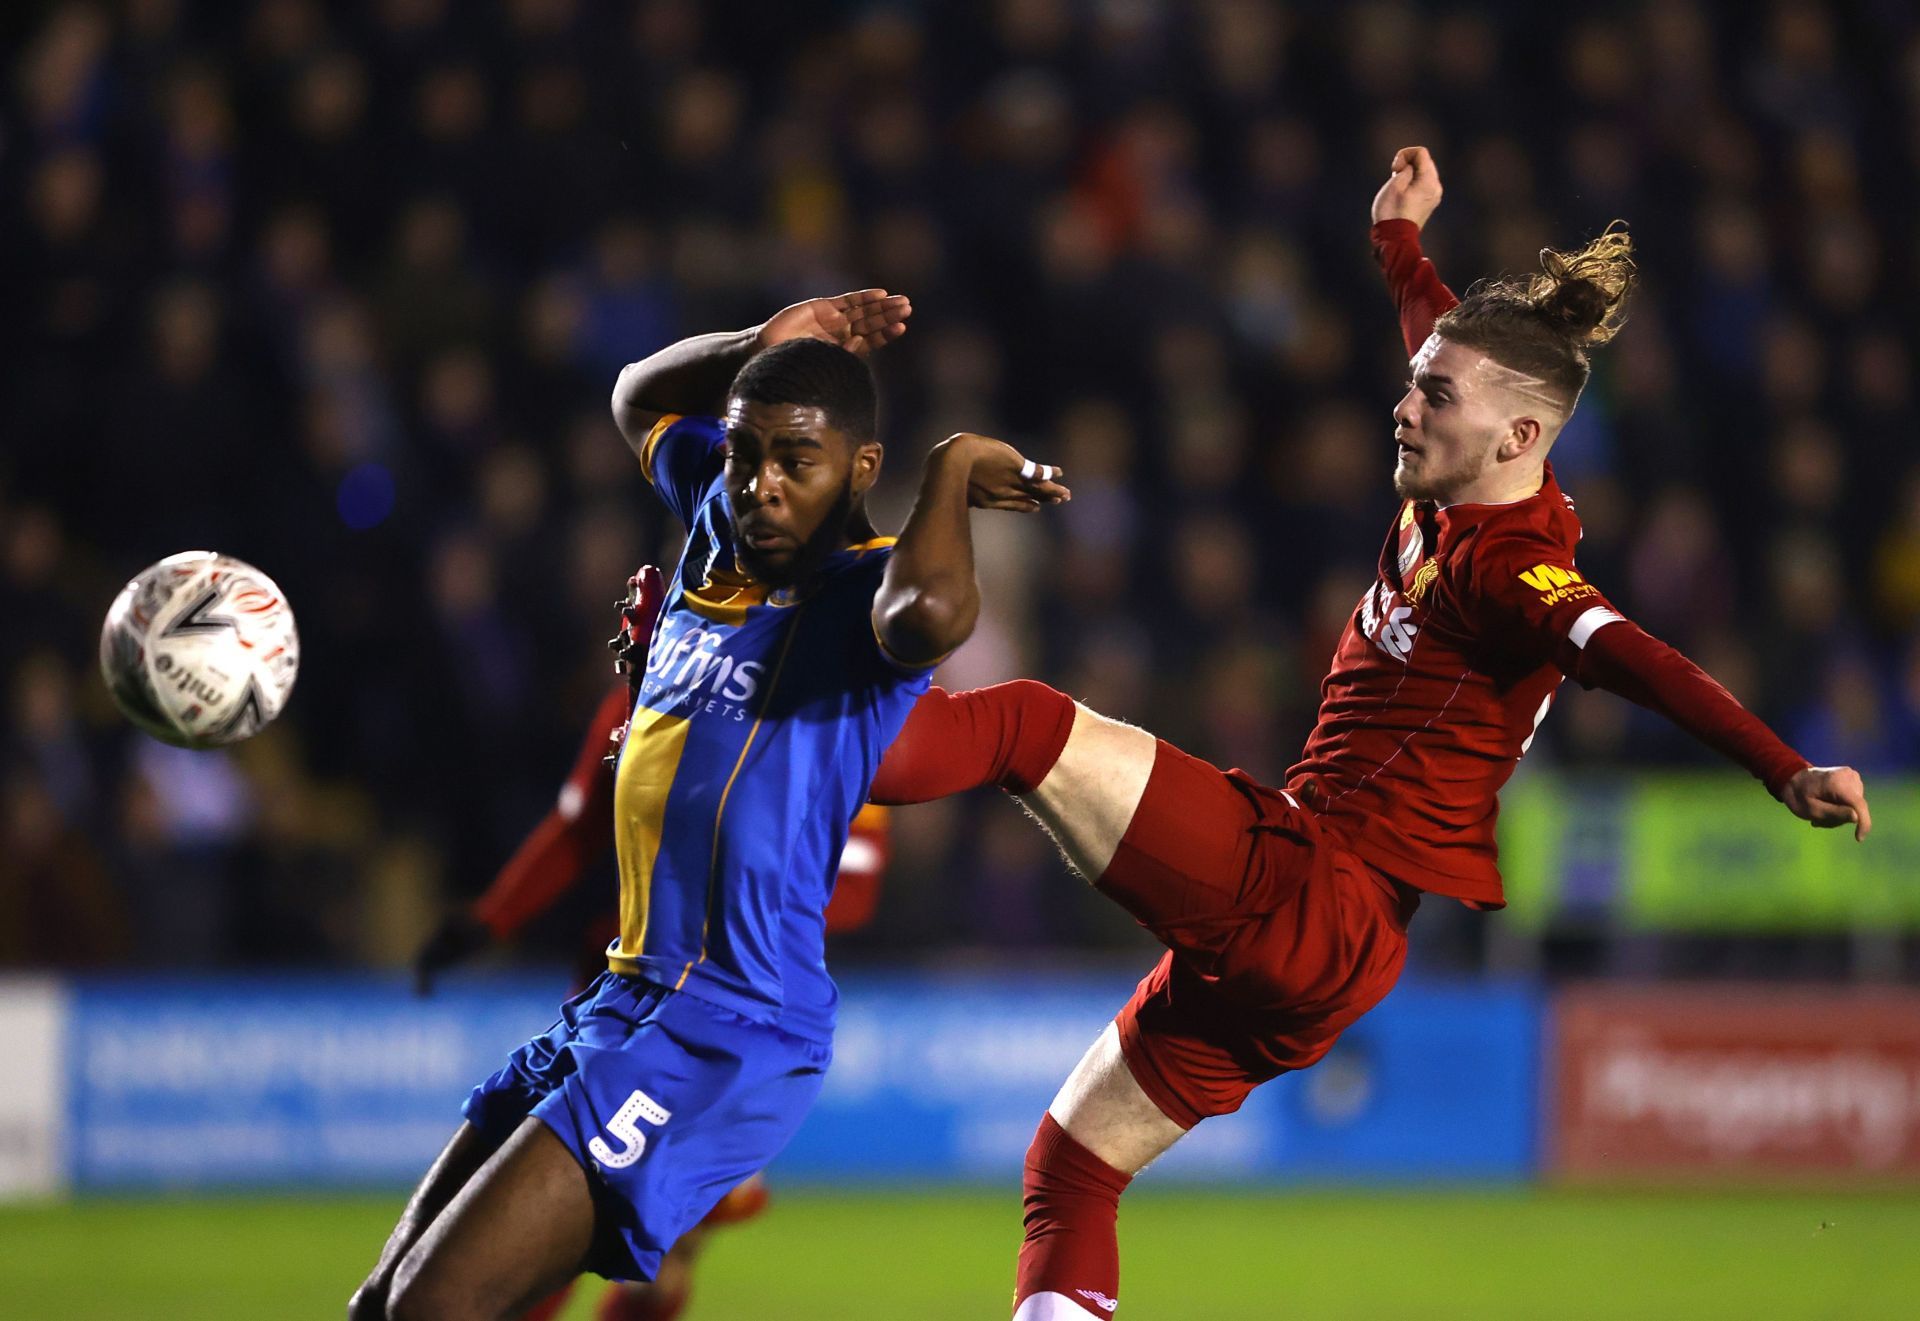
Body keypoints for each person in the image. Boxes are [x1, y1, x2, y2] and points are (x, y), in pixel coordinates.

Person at [864, 147, 1873, 1320]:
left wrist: (1786, 767)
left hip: (1316, 884)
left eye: (1435, 397)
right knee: (1072, 1168)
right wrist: (1400, 242)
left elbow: (1639, 657)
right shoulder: (1467, 459)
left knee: (1030, 724)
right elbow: (1435, 334)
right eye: (1419, 383)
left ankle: (775, 747)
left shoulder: (1516, 569)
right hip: (1340, 951)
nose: (1406, 401)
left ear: (1521, 441)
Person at [351, 288, 1070, 1320]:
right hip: (621, 998)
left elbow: (937, 613)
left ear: (861, 470)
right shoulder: (710, 534)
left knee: (434, 1310)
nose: (762, 486)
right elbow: (635, 399)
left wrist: (950, 468)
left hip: (726, 1026)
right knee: (380, 1309)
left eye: (797, 463)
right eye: (746, 456)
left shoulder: (862, 597)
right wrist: (758, 342)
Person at [410, 599, 895, 1321]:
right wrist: (492, 917)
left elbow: (855, 885)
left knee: (660, 1250)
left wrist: (738, 902)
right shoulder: (650, 689)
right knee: (544, 1242)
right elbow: (578, 827)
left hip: (723, 1017)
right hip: (621, 1001)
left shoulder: (822, 725)